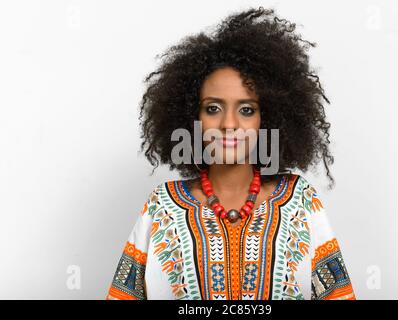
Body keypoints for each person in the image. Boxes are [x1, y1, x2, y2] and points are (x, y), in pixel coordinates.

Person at [106, 6, 356, 300]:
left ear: (270, 118)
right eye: (213, 108)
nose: (228, 124)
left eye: (247, 110)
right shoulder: (162, 205)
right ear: (192, 118)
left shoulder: (300, 200)